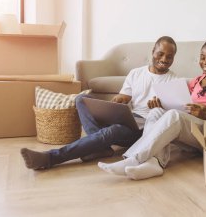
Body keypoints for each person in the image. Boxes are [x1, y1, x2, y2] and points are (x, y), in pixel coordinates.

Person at [20, 36, 178, 170]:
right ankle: (99, 149)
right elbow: (125, 96)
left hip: (143, 129)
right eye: (160, 54)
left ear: (173, 58)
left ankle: (50, 158)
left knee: (112, 131)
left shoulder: (174, 80)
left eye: (169, 57)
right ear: (153, 52)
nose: (164, 59)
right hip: (129, 118)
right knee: (81, 99)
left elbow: (173, 117)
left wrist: (161, 107)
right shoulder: (136, 73)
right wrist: (118, 101)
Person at [98, 38, 206, 180]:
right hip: (191, 131)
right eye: (202, 57)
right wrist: (161, 104)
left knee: (174, 115)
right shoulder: (197, 81)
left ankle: (134, 158)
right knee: (155, 112)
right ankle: (154, 163)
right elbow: (181, 103)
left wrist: (205, 114)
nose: (205, 62)